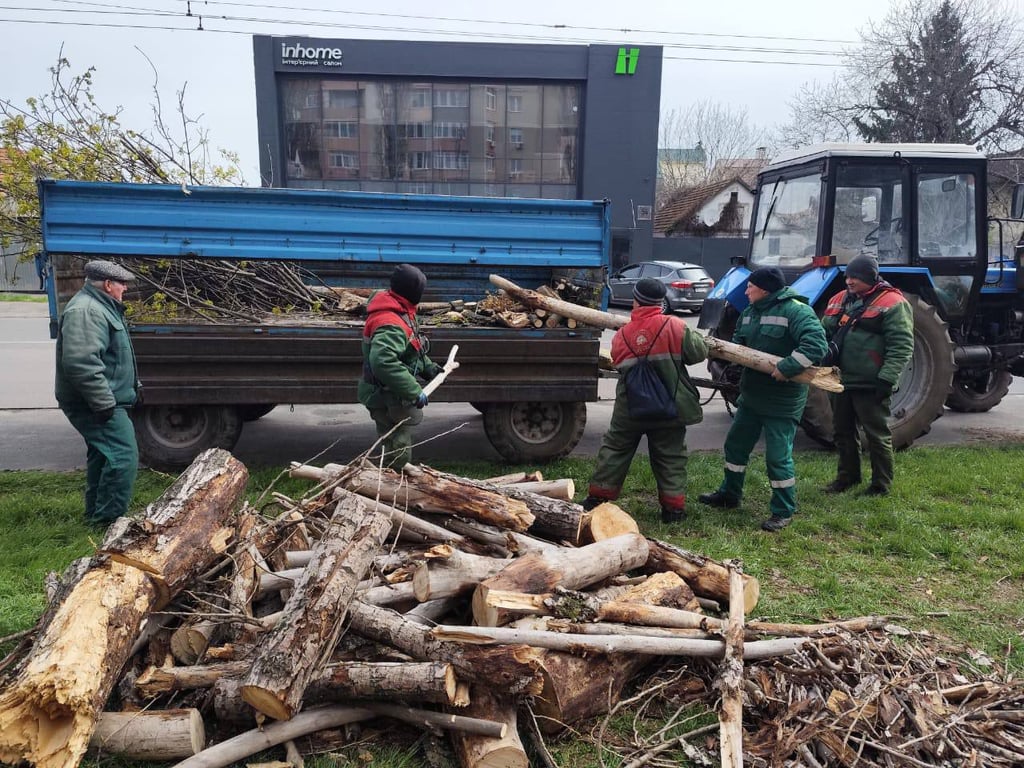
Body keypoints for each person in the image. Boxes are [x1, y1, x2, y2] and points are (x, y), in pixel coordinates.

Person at [699, 267, 827, 531]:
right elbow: (739, 344)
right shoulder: (749, 313)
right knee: (735, 446)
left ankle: (783, 510)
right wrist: (730, 362)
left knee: (778, 457)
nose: (746, 291)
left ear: (765, 289)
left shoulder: (796, 311)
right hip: (752, 396)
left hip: (782, 401)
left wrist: (788, 367)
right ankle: (729, 494)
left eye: (750, 287)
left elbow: (816, 345)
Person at [581, 277, 708, 523]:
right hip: (670, 407)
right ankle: (673, 510)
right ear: (660, 302)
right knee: (671, 455)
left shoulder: (621, 336)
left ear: (636, 300)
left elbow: (618, 362)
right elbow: (698, 353)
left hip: (631, 408)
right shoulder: (675, 326)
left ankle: (598, 499)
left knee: (616, 448)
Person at [55, 260, 142, 525]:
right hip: (96, 402)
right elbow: (81, 362)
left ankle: (95, 516)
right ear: (107, 284)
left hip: (106, 398)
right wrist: (103, 402)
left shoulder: (100, 307)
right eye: (122, 283)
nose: (125, 288)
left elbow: (112, 359)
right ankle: (108, 523)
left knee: (103, 456)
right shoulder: (87, 311)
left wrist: (133, 388)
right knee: (124, 458)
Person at [821, 255, 914, 496]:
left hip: (871, 382)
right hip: (839, 380)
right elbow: (822, 332)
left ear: (870, 277)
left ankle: (880, 485)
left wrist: (887, 378)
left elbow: (902, 345)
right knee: (842, 432)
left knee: (876, 434)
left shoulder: (894, 302)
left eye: (855, 277)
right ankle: (847, 478)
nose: (849, 281)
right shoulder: (837, 300)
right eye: (848, 276)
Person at [358, 263, 443, 470]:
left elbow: (410, 350)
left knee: (395, 440)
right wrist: (414, 391)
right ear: (413, 292)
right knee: (398, 443)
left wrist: (428, 367)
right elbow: (383, 362)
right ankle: (393, 486)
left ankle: (389, 482)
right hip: (384, 395)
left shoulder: (400, 309)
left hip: (389, 392)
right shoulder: (390, 321)